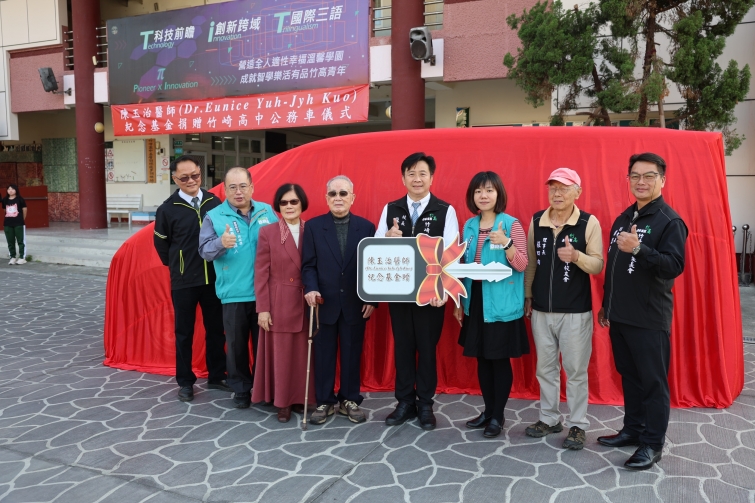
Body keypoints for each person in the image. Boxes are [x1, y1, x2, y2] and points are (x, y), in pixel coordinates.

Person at [597, 153, 687, 470]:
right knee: (631, 378)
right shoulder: (624, 217)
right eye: (635, 175)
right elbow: (614, 267)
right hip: (620, 316)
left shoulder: (669, 221)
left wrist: (638, 248)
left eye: (649, 176)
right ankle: (633, 430)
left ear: (662, 180)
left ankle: (652, 444)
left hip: (649, 319)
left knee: (653, 383)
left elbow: (673, 266)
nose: (641, 181)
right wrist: (607, 305)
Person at [376, 152, 460, 431]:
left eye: (422, 173)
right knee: (403, 347)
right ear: (403, 178)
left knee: (426, 348)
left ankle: (425, 404)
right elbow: (375, 250)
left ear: (431, 178)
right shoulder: (391, 209)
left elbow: (452, 253)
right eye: (411, 173)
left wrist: (444, 290)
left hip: (431, 293)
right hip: (399, 292)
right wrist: (387, 238)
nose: (417, 179)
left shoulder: (444, 210)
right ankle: (404, 402)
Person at [523, 168, 604, 450]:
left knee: (576, 371)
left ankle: (578, 424)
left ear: (577, 192)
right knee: (545, 369)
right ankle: (549, 418)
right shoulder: (537, 220)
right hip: (542, 311)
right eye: (553, 187)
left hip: (575, 312)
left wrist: (576, 256)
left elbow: (598, 265)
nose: (557, 193)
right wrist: (528, 294)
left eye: (564, 188)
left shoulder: (588, 222)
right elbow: (531, 262)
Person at [453, 172, 529, 438]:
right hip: (475, 300)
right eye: (478, 191)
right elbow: (462, 265)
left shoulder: (511, 224)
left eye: (489, 190)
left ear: (499, 194)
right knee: (482, 358)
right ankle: (487, 411)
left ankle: (498, 415)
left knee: (498, 360)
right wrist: (459, 300)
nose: (483, 196)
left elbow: (522, 264)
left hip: (501, 302)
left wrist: (506, 243)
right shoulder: (469, 226)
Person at [198, 167, 277, 409]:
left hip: (265, 293)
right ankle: (241, 388)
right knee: (236, 346)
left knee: (264, 346)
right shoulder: (214, 216)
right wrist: (220, 243)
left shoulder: (267, 211)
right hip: (233, 293)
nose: (238, 191)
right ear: (225, 190)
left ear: (252, 187)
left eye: (243, 186)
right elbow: (204, 251)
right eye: (232, 187)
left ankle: (264, 390)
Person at [154, 156, 230, 402]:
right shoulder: (167, 209)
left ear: (201, 174)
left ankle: (217, 375)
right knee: (184, 333)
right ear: (175, 179)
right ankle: (185, 382)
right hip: (184, 281)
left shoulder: (214, 202)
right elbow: (161, 245)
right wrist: (179, 265)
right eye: (184, 177)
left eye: (195, 175)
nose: (191, 181)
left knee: (216, 330)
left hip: (214, 279)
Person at [302, 175, 376, 425]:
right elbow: (308, 265)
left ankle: (349, 399)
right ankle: (324, 401)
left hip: (356, 303)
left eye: (343, 193)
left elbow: (373, 267)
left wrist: (372, 299)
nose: (338, 198)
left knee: (352, 353)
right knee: (323, 354)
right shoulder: (313, 227)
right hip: (323, 303)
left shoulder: (366, 227)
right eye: (333, 194)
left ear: (352, 197)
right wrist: (311, 289)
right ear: (326, 198)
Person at [252, 183, 314, 422]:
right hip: (279, 304)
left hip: (307, 302)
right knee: (282, 355)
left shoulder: (313, 230)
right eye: (284, 202)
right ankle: (283, 402)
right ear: (278, 206)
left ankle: (300, 397)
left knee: (302, 354)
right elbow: (261, 273)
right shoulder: (267, 232)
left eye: (293, 201)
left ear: (302, 204)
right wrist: (263, 309)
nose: (289, 206)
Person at [3, 184, 27, 265]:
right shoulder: (5, 200)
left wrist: (21, 220)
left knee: (21, 241)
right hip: (7, 223)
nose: (10, 191)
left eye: (12, 189)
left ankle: (22, 257)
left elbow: (24, 210)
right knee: (10, 241)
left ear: (16, 190)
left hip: (19, 223)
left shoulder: (20, 199)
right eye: (9, 189)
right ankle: (12, 257)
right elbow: (4, 210)